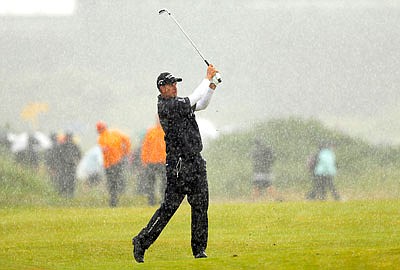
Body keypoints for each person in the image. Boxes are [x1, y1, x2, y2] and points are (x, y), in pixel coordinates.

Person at [132, 64, 221, 263]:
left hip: (196, 161)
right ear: (162, 88)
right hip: (179, 165)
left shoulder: (178, 102)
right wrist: (207, 78)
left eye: (175, 83)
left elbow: (202, 104)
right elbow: (193, 98)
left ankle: (199, 250)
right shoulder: (167, 106)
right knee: (169, 208)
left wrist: (212, 86)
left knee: (200, 206)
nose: (174, 86)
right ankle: (141, 241)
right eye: (171, 84)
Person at [96, 121, 131, 207]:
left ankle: (113, 200)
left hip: (109, 164)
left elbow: (105, 150)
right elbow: (127, 140)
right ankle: (115, 198)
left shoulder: (101, 138)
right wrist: (125, 152)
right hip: (117, 162)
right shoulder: (115, 133)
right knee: (116, 181)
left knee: (111, 183)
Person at [140, 118, 167, 205]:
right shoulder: (151, 132)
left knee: (163, 182)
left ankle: (163, 200)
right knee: (151, 183)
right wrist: (144, 160)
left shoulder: (166, 130)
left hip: (162, 161)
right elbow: (145, 147)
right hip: (152, 162)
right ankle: (151, 201)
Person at [58, 132, 82, 198]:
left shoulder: (62, 145)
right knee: (71, 180)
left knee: (63, 179)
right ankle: (71, 194)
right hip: (72, 165)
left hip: (64, 165)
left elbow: (58, 156)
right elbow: (79, 156)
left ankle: (63, 193)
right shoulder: (75, 145)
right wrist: (76, 161)